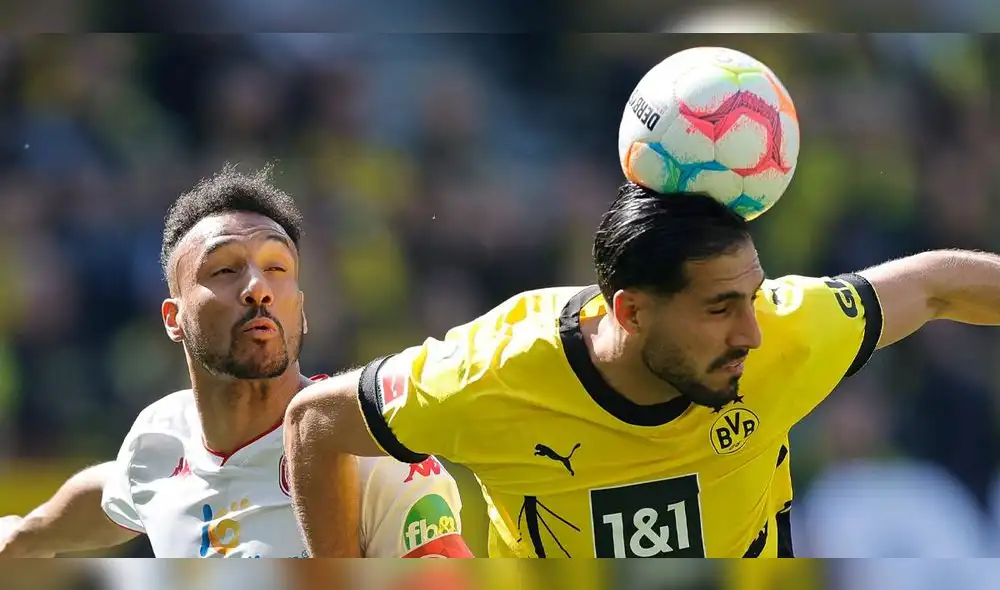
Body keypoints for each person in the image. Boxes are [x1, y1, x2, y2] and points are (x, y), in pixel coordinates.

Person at [283, 181, 1000, 558]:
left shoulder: (785, 332)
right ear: (628, 312)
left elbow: (937, 283)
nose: (750, 332)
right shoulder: (489, 375)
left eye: (752, 297)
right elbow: (314, 422)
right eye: (720, 308)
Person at [0, 165, 472, 559]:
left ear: (301, 310)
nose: (257, 287)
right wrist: (21, 536)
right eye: (225, 269)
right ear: (174, 318)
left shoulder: (376, 458)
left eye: (276, 268)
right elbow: (112, 492)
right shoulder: (159, 437)